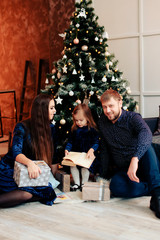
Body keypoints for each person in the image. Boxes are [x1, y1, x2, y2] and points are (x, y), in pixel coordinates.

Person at [98, 89, 160, 219]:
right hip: (126, 171)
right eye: (104, 107)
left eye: (111, 106)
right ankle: (152, 187)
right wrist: (102, 176)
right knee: (115, 186)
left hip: (144, 163)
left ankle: (157, 195)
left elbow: (146, 133)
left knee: (147, 144)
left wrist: (135, 158)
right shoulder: (103, 123)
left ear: (120, 103)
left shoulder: (132, 117)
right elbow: (104, 149)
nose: (108, 110)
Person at [0, 94, 58, 207]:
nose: (54, 111)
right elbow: (16, 152)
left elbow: (54, 155)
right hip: (11, 169)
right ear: (41, 109)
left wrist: (52, 177)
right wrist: (29, 163)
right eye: (51, 108)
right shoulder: (22, 126)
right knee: (26, 195)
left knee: (49, 192)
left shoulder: (52, 128)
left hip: (33, 173)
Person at [65, 103, 99, 191]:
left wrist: (92, 150)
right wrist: (67, 149)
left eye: (81, 120)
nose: (78, 122)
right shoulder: (74, 129)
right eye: (76, 120)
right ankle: (76, 183)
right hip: (75, 154)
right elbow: (70, 141)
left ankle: (84, 183)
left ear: (87, 118)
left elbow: (96, 142)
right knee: (72, 166)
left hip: (86, 155)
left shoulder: (92, 129)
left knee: (85, 167)